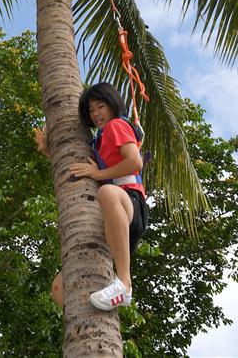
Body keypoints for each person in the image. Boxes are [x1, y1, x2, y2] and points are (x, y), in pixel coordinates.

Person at [33, 82, 150, 311]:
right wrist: (49, 150)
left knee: (107, 192)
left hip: (131, 206)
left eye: (100, 107)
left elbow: (135, 162)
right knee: (59, 287)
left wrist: (98, 173)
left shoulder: (117, 125)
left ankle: (124, 283)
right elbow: (80, 171)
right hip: (114, 215)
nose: (96, 114)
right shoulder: (99, 140)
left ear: (112, 104)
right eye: (91, 110)